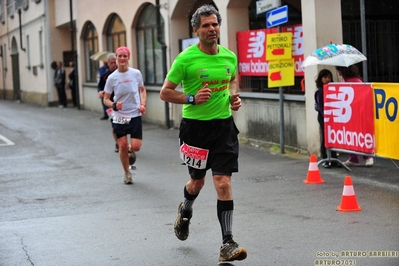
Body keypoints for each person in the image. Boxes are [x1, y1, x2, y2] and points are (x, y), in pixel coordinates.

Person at [159, 5, 247, 263]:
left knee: (223, 182)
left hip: (223, 128)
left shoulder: (229, 56)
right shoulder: (185, 59)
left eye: (215, 24)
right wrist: (191, 97)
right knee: (197, 183)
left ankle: (227, 243)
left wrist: (233, 99)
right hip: (194, 129)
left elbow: (232, 80)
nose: (211, 29)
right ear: (196, 29)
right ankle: (185, 211)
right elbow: (165, 92)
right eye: (206, 25)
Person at [103, 46, 147, 184]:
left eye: (124, 56)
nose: (122, 58)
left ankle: (130, 149)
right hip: (119, 115)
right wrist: (114, 105)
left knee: (136, 147)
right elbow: (106, 99)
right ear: (116, 58)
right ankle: (127, 173)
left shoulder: (136, 73)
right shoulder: (112, 78)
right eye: (119, 56)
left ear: (128, 58)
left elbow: (142, 89)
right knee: (121, 145)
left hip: (134, 114)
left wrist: (143, 104)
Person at [336, 65, 374, 167]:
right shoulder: (344, 80)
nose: (338, 73)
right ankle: (354, 158)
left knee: (360, 133)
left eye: (338, 70)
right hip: (349, 113)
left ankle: (368, 156)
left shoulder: (356, 81)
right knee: (352, 135)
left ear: (343, 70)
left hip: (357, 112)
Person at [314, 69, 338, 168]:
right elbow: (321, 107)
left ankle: (333, 158)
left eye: (329, 77)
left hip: (331, 116)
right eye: (325, 77)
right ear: (321, 79)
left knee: (333, 137)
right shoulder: (320, 92)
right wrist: (326, 117)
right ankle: (325, 158)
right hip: (323, 117)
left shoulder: (332, 89)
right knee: (325, 137)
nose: (328, 79)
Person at [97, 53, 119, 153]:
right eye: (111, 63)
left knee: (124, 123)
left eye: (115, 62)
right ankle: (118, 143)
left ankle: (123, 143)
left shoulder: (121, 73)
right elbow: (100, 87)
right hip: (109, 103)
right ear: (108, 63)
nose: (113, 64)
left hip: (121, 103)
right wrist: (100, 92)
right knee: (115, 124)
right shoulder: (104, 75)